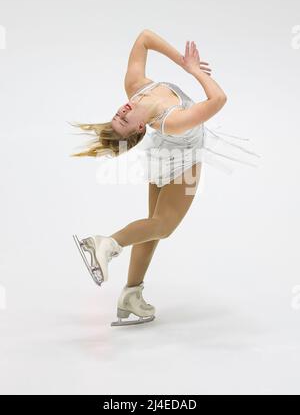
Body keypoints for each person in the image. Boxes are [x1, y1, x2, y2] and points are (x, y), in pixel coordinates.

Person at [70, 30, 261, 326]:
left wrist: (182, 61)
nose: (122, 111)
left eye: (118, 114)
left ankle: (131, 294)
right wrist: (195, 72)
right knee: (164, 226)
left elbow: (144, 37)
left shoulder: (135, 87)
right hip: (183, 159)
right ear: (139, 130)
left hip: (160, 155)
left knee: (152, 227)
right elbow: (219, 98)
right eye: (125, 120)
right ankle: (106, 244)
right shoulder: (171, 121)